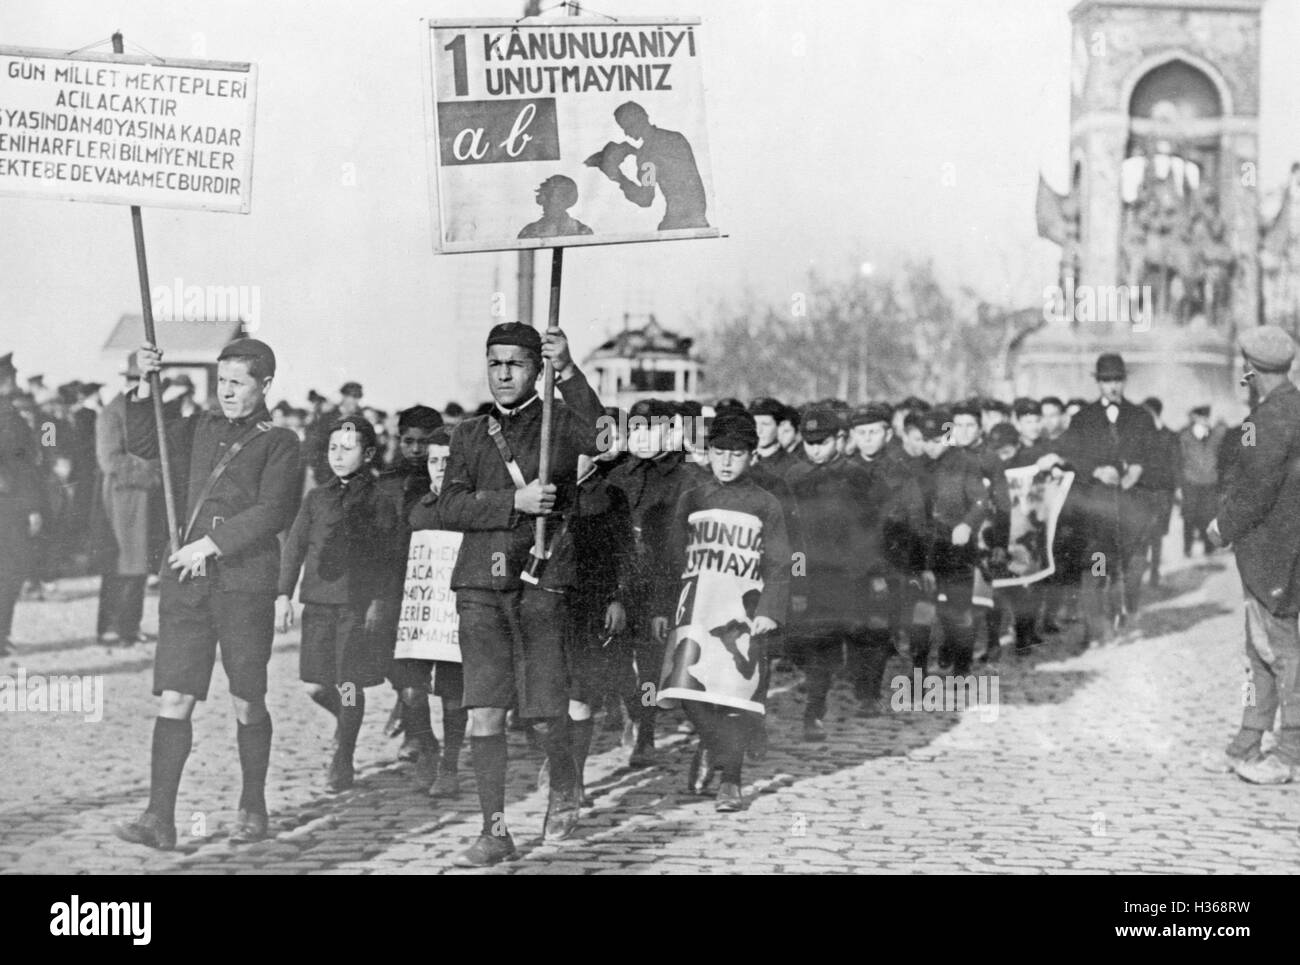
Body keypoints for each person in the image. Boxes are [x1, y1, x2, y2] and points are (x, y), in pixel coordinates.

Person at [113, 338, 301, 851]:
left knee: (246, 699)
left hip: (244, 586)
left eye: (238, 382)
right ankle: (159, 817)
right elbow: (144, 442)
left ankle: (253, 805)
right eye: (221, 382)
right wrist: (142, 382)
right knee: (175, 696)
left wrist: (211, 545)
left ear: (264, 385)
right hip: (188, 588)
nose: (227, 392)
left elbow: (273, 511)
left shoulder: (281, 442)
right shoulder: (198, 427)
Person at [439, 321, 603, 866]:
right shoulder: (468, 434)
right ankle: (495, 830)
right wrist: (517, 500)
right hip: (479, 586)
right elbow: (450, 506)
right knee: (483, 713)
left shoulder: (560, 422)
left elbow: (606, 437)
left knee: (543, 713)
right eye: (494, 362)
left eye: (515, 363)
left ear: (537, 368)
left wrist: (572, 373)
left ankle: (563, 779)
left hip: (544, 579)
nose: (503, 373)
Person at [656, 409, 790, 810]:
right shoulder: (693, 499)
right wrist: (661, 607)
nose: (727, 462)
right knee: (687, 689)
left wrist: (770, 609)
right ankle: (714, 748)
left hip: (740, 614)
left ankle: (731, 781)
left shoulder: (765, 504)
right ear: (708, 453)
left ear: (753, 456)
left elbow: (780, 563)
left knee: (734, 698)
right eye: (719, 452)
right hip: (695, 610)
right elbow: (671, 558)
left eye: (737, 454)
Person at [277, 416, 397, 792]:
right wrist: (283, 594)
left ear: (369, 453)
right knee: (315, 684)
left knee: (348, 684)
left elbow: (388, 557)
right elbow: (294, 547)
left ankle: (343, 756)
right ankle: (347, 722)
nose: (339, 456)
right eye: (333, 448)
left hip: (355, 607)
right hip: (318, 604)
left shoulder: (379, 499)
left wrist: (379, 602)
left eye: (349, 448)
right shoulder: (317, 497)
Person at [1205, 326, 1300, 784]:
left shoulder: (1265, 421)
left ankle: (1290, 751)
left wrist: (1223, 526)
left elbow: (1256, 487)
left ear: (1250, 370)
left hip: (1273, 554)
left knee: (1281, 652)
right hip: (1280, 551)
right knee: (1259, 650)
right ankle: (1247, 742)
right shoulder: (1290, 409)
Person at [605, 398, 691, 767]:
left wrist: (661, 604)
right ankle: (634, 713)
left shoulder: (684, 479)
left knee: (651, 662)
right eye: (635, 429)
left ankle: (647, 733)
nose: (640, 437)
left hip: (659, 582)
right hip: (619, 582)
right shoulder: (618, 475)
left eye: (649, 429)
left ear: (668, 432)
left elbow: (677, 548)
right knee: (616, 660)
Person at [1056, 353, 1160, 645]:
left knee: (1127, 569)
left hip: (1131, 511)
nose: (1112, 387)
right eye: (1106, 381)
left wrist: (1138, 470)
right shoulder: (1082, 419)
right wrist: (1095, 471)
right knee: (1097, 565)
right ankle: (1095, 628)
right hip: (1096, 511)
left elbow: (1154, 455)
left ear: (1124, 381)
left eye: (1116, 380)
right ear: (1098, 383)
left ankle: (1122, 617)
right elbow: (1071, 457)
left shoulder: (1140, 417)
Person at [402, 425, 469, 798]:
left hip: (456, 614)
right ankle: (427, 745)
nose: (439, 468)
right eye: (433, 461)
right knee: (411, 691)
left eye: (447, 460)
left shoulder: (470, 506)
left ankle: (450, 762)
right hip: (420, 614)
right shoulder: (417, 510)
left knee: (452, 694)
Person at [374, 405, 444, 757]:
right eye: (408, 441)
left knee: (425, 661)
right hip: (394, 582)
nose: (416, 450)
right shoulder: (386, 482)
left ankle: (418, 730)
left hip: (435, 581)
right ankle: (412, 713)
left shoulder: (448, 480)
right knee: (392, 655)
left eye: (423, 443)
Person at [913, 409, 988, 674]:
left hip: (956, 547)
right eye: (926, 440)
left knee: (957, 610)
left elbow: (981, 502)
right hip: (924, 549)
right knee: (921, 610)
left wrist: (967, 524)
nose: (931, 447)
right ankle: (919, 668)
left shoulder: (966, 463)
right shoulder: (917, 465)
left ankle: (962, 666)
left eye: (937, 440)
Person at [95, 353, 162, 646]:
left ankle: (128, 627)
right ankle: (115, 628)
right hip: (124, 500)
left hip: (141, 500)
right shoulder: (113, 412)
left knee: (137, 565)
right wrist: (153, 471)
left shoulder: (144, 411)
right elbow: (111, 461)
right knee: (124, 565)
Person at [586, 101, 709, 230]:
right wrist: (634, 152)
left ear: (641, 117)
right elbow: (668, 164)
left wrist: (617, 175)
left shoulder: (646, 155)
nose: (626, 133)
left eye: (626, 127)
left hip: (680, 222)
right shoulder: (675, 138)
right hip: (697, 217)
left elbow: (645, 198)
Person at [0, 353, 42, 656]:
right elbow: (21, 465)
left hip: (21, 492)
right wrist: (32, 505)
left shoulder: (40, 417)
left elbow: (47, 444)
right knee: (10, 570)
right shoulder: (10, 416)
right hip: (12, 502)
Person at [1140, 396, 1181, 587]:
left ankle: (1154, 571)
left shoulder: (1170, 436)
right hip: (1142, 492)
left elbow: (1175, 465)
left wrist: (1177, 490)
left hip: (1163, 492)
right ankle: (1142, 571)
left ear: (1153, 413)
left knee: (1156, 535)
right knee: (1142, 533)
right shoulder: (1139, 435)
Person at [1178, 405, 1225, 556]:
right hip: (1191, 481)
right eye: (1201, 417)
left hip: (1210, 481)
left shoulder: (1215, 435)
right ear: (1194, 418)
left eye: (1206, 417)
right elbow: (1180, 458)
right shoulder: (1184, 436)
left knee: (1209, 514)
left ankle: (1208, 547)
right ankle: (1187, 548)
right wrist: (1181, 482)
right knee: (1189, 515)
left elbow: (1220, 453)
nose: (1204, 420)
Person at [518, 175, 594, 239]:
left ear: (567, 200)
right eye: (547, 196)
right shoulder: (529, 232)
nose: (550, 201)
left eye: (557, 197)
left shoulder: (582, 231)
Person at [748, 397, 792, 478]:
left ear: (779, 426)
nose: (758, 430)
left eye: (765, 424)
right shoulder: (744, 461)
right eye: (754, 424)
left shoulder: (791, 467)